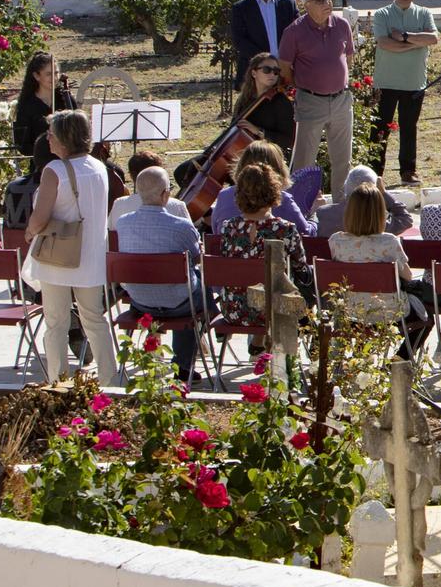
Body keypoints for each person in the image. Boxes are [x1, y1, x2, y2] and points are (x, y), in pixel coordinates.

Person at [21, 110, 120, 385]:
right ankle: (110, 380)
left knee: (56, 323)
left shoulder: (54, 171)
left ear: (64, 138)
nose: (48, 139)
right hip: (91, 256)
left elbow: (40, 219)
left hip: (58, 256)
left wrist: (30, 230)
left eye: (51, 133)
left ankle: (59, 381)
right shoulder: (99, 166)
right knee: (95, 320)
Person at [114, 166, 206, 382]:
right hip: (179, 304)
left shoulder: (123, 223)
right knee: (196, 293)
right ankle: (183, 365)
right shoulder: (181, 226)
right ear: (166, 194)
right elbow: (197, 258)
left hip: (139, 301)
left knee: (189, 288)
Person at [330, 184, 434, 352]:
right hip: (390, 312)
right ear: (380, 213)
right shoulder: (388, 242)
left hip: (352, 311)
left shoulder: (336, 242)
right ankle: (398, 363)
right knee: (426, 318)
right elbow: (407, 276)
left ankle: (364, 357)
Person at [216, 160, 314, 330]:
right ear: (274, 191)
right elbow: (301, 266)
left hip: (234, 311)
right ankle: (306, 324)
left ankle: (260, 339)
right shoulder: (285, 229)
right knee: (307, 275)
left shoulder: (228, 227)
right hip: (274, 310)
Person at [281, 0, 358, 196]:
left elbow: (348, 59)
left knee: (343, 159)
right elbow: (285, 69)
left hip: (341, 100)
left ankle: (341, 208)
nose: (328, 2)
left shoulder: (342, 25)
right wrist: (307, 86)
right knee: (305, 160)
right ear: (306, 5)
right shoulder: (294, 32)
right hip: (311, 101)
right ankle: (300, 208)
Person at [368, 0, 438, 186]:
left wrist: (405, 37)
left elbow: (433, 38)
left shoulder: (424, 13)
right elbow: (384, 43)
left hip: (414, 82)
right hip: (385, 82)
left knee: (409, 128)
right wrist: (417, 42)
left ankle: (408, 171)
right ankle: (374, 171)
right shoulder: (382, 14)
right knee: (380, 129)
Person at [210, 140, 318, 236]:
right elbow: (306, 234)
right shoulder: (282, 199)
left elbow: (216, 233)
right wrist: (314, 213)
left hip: (229, 257)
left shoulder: (224, 196)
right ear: (278, 169)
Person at [11, 51, 73, 179]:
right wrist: (48, 147)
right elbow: (23, 146)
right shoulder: (27, 106)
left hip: (72, 160)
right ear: (36, 76)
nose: (55, 78)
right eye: (49, 74)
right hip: (43, 164)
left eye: (56, 73)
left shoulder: (65, 98)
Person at [315, 165, 414, 237]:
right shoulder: (376, 223)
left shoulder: (322, 214)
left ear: (346, 187)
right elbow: (405, 219)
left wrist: (313, 211)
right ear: (376, 192)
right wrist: (384, 194)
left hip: (332, 265)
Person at [230, 0, 297, 68]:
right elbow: (239, 41)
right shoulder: (241, 8)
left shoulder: (288, 5)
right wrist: (266, 61)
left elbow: (297, 34)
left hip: (285, 68)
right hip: (256, 70)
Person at [230, 52, 296, 154]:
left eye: (276, 71)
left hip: (269, 156)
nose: (272, 74)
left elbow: (287, 140)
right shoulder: (244, 99)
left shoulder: (281, 101)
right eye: (267, 70)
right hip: (243, 153)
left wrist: (257, 131)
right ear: (254, 73)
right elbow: (233, 129)